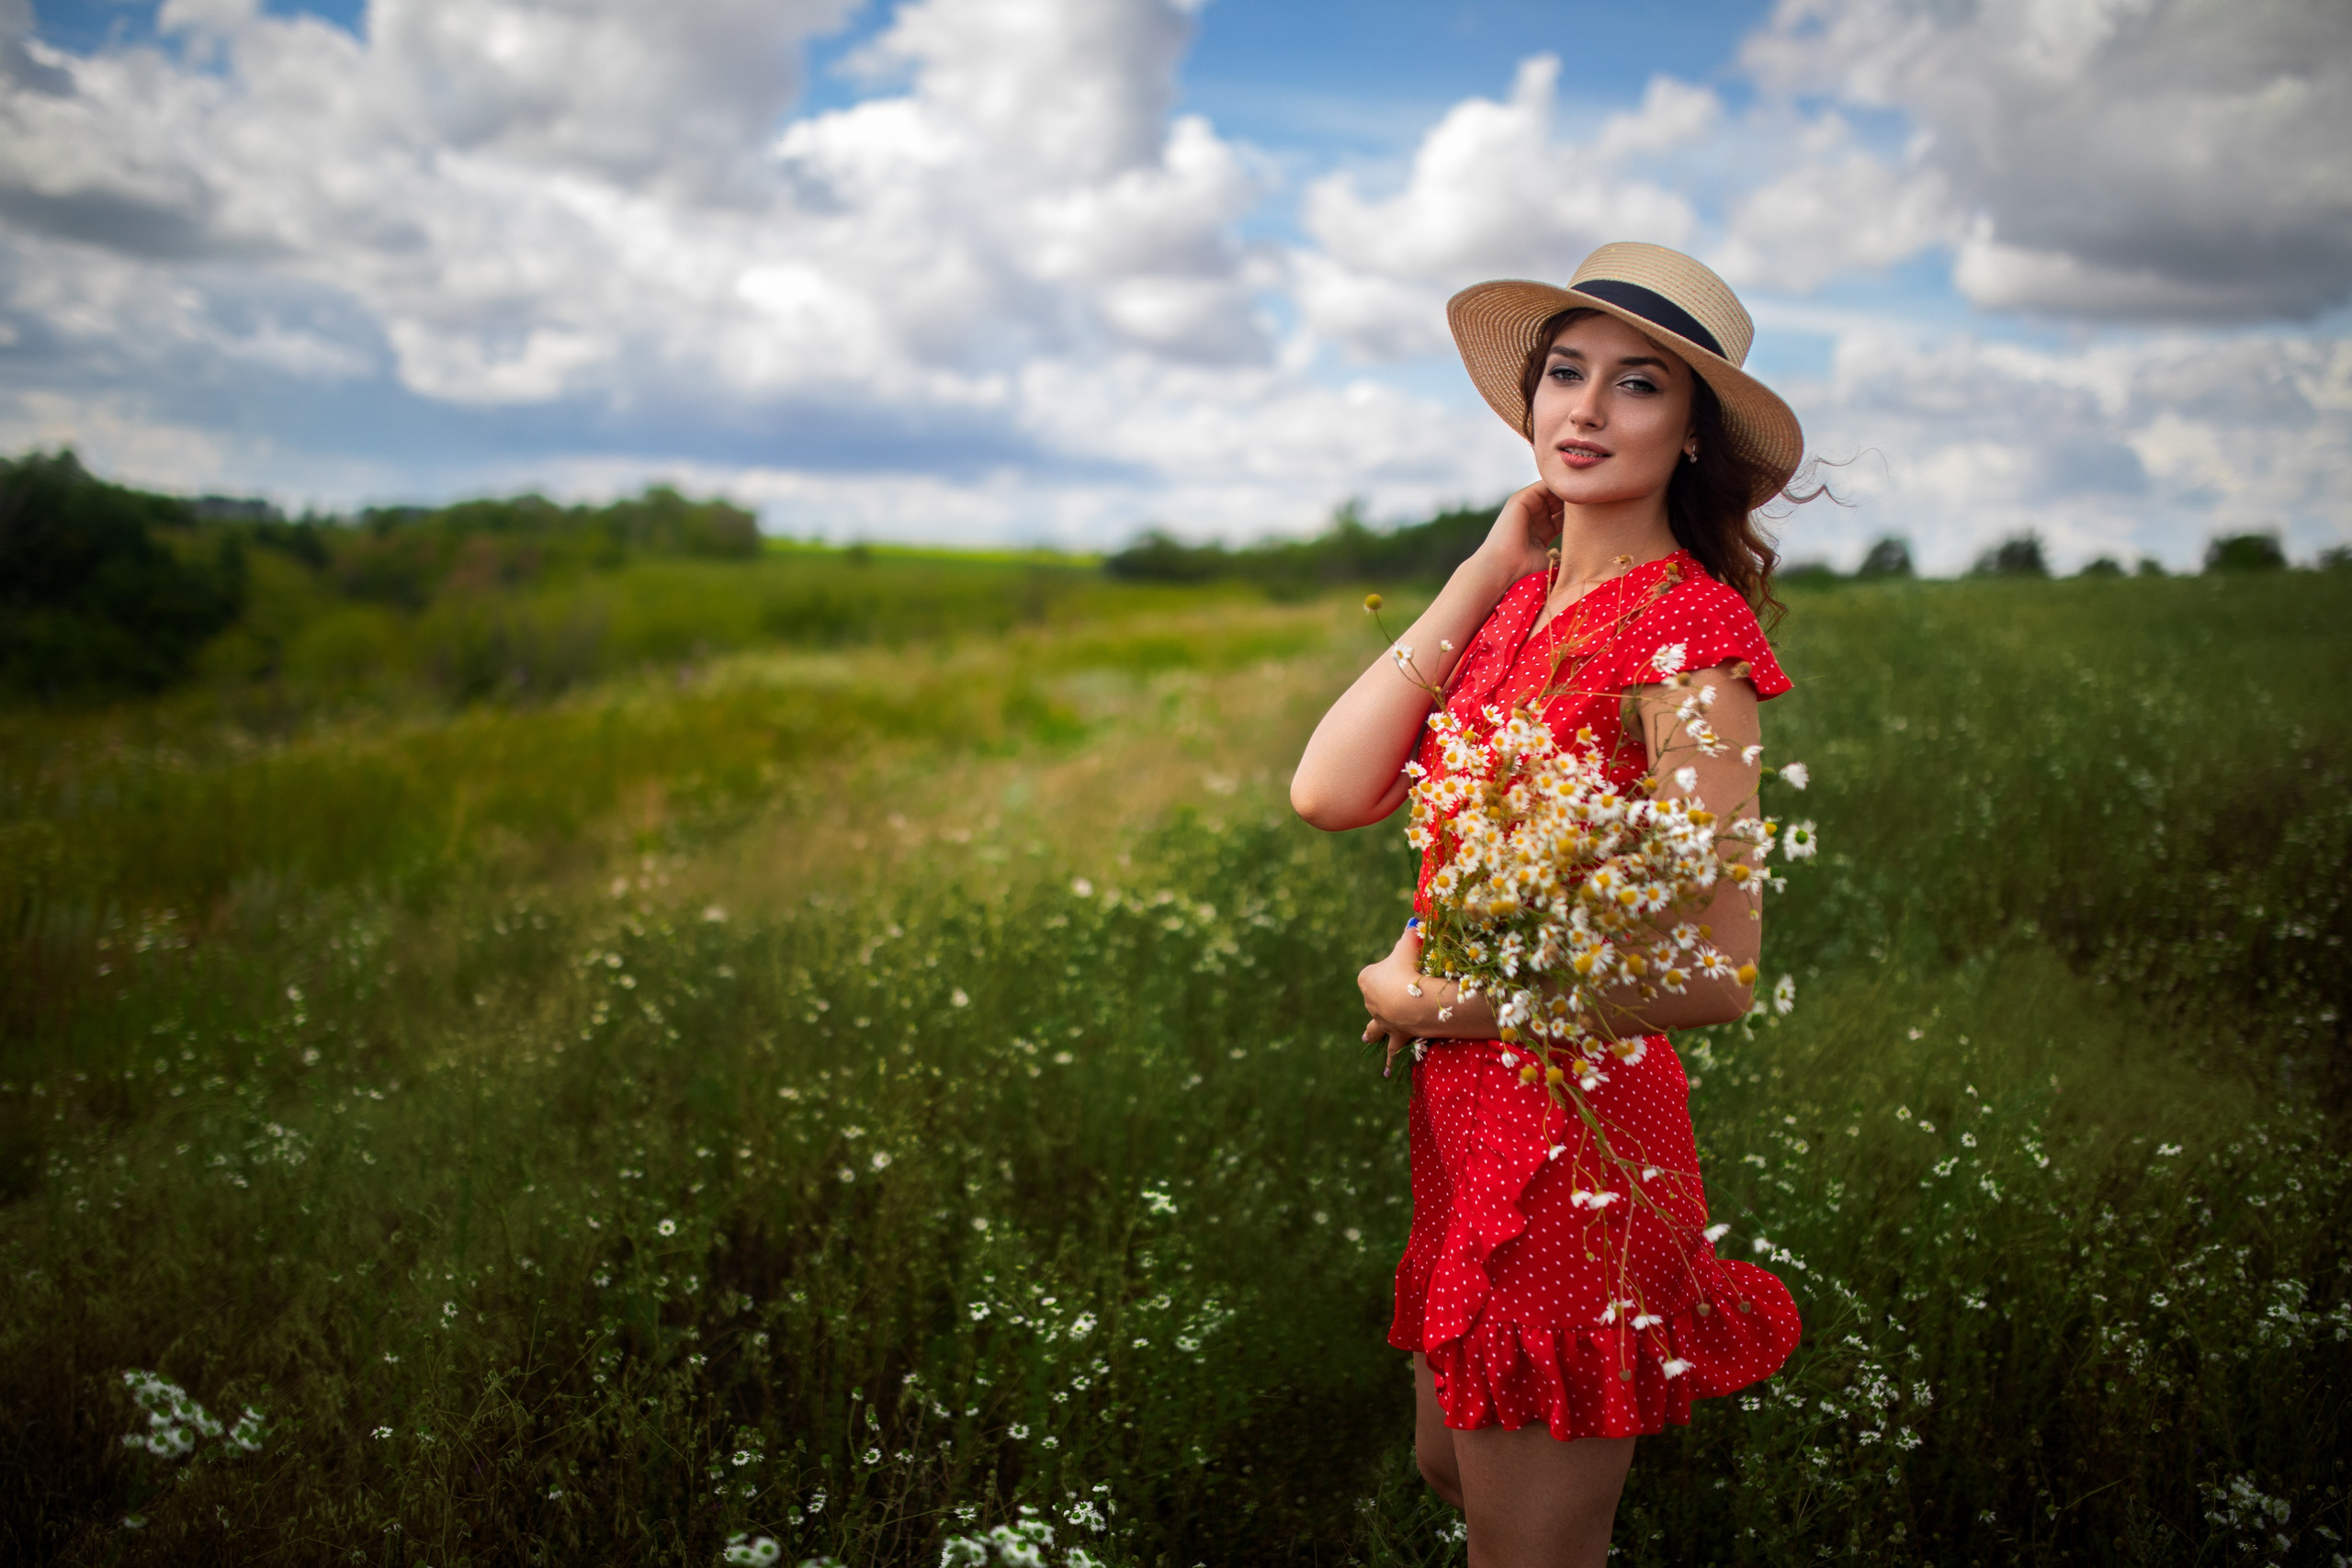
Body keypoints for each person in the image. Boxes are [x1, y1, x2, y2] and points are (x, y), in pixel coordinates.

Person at [1290, 243, 1809, 1568]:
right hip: (1466, 1122)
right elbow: (1330, 789)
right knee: (1450, 1466)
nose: (1585, 409)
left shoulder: (1689, 643)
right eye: (1564, 374)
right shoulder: (1517, 607)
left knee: (1527, 1549)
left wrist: (1428, 999)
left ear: (1693, 435)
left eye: (1638, 385)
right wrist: (1479, 571)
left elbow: (1719, 970)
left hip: (1578, 1140)